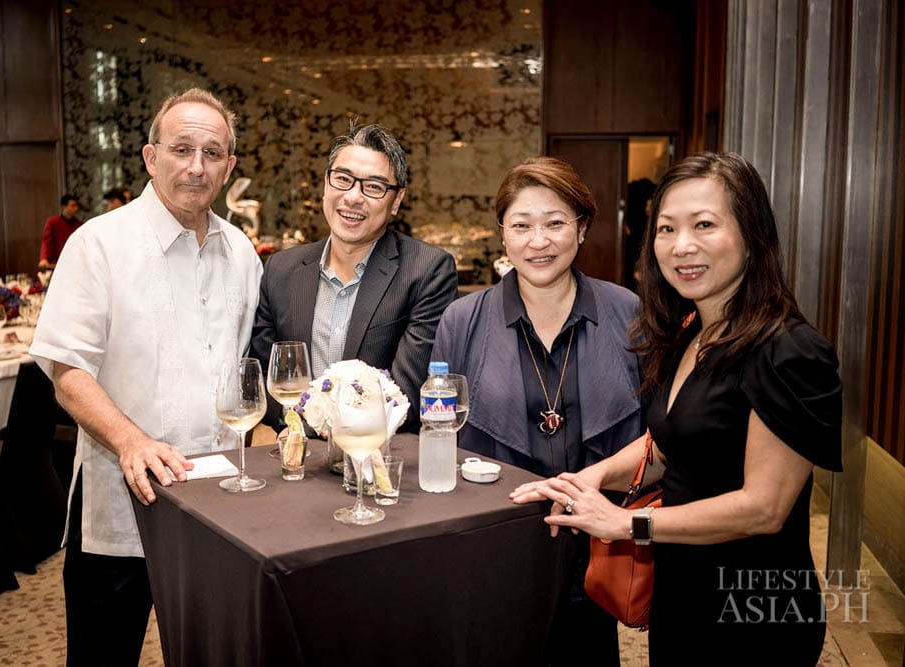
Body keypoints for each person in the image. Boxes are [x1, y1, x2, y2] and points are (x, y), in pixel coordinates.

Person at [512, 152, 842, 666]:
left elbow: (764, 508)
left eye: (704, 224)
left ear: (752, 233)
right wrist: (591, 477)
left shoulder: (788, 350)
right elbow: (668, 445)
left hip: (754, 607)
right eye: (667, 229)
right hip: (683, 591)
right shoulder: (692, 331)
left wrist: (627, 525)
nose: (682, 245)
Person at [29, 88, 262, 665]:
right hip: (121, 502)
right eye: (182, 149)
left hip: (219, 509)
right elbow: (66, 369)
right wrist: (131, 440)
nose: (197, 166)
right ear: (151, 157)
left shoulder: (242, 253)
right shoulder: (98, 244)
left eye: (213, 153)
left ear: (229, 167)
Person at [432, 157, 644, 665]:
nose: (538, 241)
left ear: (582, 229)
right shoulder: (462, 319)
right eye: (522, 225)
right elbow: (439, 434)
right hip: (497, 544)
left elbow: (657, 433)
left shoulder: (628, 312)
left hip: (596, 546)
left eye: (555, 223)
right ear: (503, 235)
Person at [250, 122, 457, 432]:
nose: (353, 197)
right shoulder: (281, 270)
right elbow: (268, 380)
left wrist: (327, 428)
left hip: (381, 453)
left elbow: (407, 393)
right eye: (343, 179)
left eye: (373, 187)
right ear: (325, 184)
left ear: (396, 201)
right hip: (299, 452)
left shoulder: (427, 271)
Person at [38, 194, 83, 269]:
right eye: (73, 205)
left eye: (77, 205)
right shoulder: (52, 222)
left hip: (74, 263)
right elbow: (46, 242)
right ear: (64, 207)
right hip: (55, 262)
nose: (76, 208)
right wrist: (44, 258)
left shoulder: (79, 225)